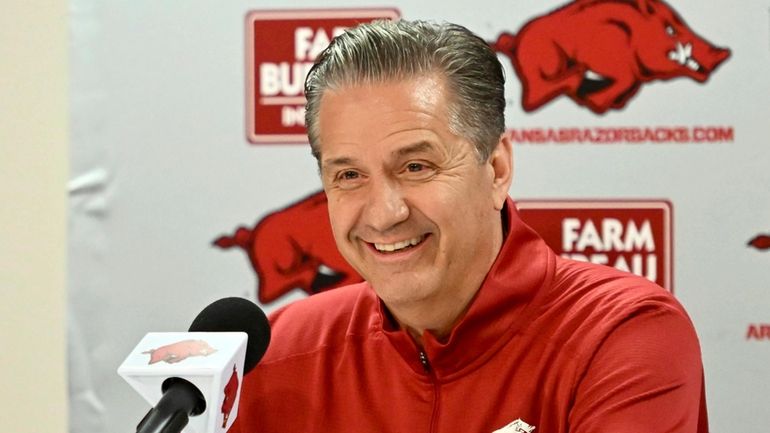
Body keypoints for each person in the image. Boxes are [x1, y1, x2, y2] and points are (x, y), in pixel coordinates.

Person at [229, 19, 707, 433]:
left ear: (496, 168)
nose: (383, 213)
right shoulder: (275, 352)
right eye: (349, 176)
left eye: (416, 166)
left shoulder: (623, 332)